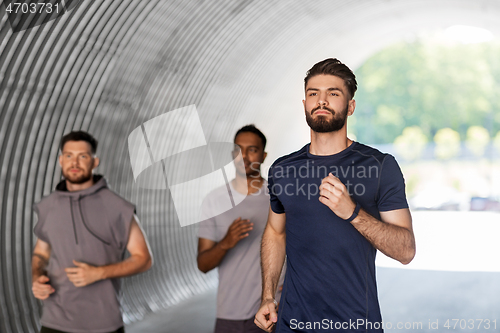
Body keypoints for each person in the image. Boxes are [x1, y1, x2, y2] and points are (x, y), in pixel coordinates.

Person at [254, 59, 416, 333]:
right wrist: (268, 295)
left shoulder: (379, 166)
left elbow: (406, 251)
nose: (322, 101)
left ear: (350, 107)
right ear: (304, 103)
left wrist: (353, 212)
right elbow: (275, 231)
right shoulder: (283, 169)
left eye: (333, 93)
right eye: (314, 93)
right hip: (292, 324)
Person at [31, 131, 153, 333]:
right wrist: (37, 277)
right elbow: (41, 253)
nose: (75, 162)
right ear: (61, 160)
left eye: (83, 156)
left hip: (103, 325)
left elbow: (144, 258)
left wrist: (99, 272)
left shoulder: (117, 207)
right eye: (69, 156)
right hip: (54, 323)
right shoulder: (47, 206)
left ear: (95, 162)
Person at [197, 125, 283, 333]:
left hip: (272, 311)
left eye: (251, 150)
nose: (243, 156)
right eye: (238, 150)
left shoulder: (278, 197)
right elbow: (203, 264)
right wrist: (226, 243)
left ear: (263, 156)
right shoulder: (214, 200)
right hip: (230, 313)